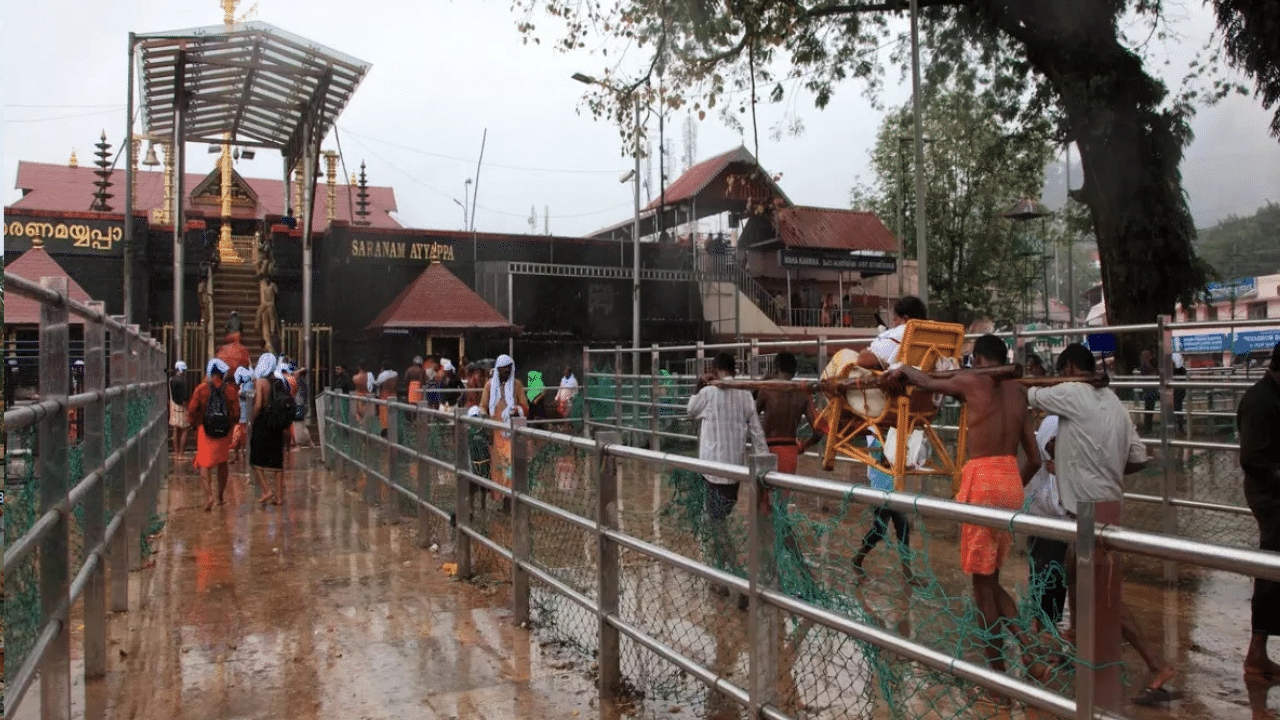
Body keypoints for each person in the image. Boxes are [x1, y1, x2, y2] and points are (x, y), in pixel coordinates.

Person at [885, 335, 1043, 683]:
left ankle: (1004, 668)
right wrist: (1007, 483)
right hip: (1009, 482)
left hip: (983, 481)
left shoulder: (974, 380)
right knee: (990, 579)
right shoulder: (1018, 391)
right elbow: (1034, 458)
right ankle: (1019, 658)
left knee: (982, 585)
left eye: (972, 360)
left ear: (982, 360)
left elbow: (926, 381)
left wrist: (903, 369)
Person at [1027, 343, 1178, 704]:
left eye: (1063, 372)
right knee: (1074, 572)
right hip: (1106, 505)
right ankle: (1077, 635)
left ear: (1069, 370)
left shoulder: (1072, 392)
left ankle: (1156, 665)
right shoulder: (1114, 403)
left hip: (1087, 511)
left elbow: (1030, 393)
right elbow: (1139, 458)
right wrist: (1104, 468)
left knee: (1106, 597)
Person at [686, 352, 769, 608]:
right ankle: (723, 579)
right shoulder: (744, 394)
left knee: (716, 526)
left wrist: (700, 384)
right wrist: (766, 463)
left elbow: (690, 411)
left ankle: (736, 579)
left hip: (712, 471)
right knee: (718, 524)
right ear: (733, 369)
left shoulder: (709, 394)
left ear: (716, 369)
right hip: (734, 472)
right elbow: (756, 431)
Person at [755, 351, 823, 592]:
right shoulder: (801, 392)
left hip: (767, 453)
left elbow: (750, 416)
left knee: (767, 515)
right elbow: (819, 430)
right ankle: (778, 570)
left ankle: (792, 572)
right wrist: (802, 446)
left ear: (775, 366)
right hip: (789, 453)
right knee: (778, 513)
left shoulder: (767, 388)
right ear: (794, 370)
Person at [1238, 340, 1280, 681]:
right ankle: (1256, 652)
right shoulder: (1259, 402)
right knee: (1271, 569)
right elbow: (1252, 459)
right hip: (1272, 498)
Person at [1024, 415, 1068, 631]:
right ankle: (1041, 625)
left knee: (1057, 577)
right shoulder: (1039, 471)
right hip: (1043, 522)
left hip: (1064, 523)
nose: (1054, 446)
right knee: (1042, 574)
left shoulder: (1065, 464)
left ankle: (1050, 625)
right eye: (1051, 441)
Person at [188, 358, 240, 512]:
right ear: (222, 374)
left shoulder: (201, 389)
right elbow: (236, 413)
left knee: (204, 464)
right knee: (222, 463)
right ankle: (221, 496)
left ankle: (209, 496)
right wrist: (230, 425)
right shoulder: (230, 390)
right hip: (224, 432)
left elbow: (192, 410)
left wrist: (195, 425)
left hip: (206, 431)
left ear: (210, 373)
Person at [482, 354, 530, 502]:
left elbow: (525, 407)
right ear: (498, 370)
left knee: (511, 464)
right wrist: (483, 416)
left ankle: (510, 498)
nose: (506, 374)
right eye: (504, 371)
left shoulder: (517, 385)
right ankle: (501, 497)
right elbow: (483, 406)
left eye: (509, 371)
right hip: (496, 433)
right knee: (498, 467)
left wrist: (515, 409)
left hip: (512, 432)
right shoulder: (489, 385)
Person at [250, 353, 289, 505]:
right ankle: (279, 498)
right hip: (277, 423)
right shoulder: (279, 381)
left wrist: (252, 419)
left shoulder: (260, 382)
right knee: (277, 462)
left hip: (263, 422)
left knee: (255, 460)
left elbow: (259, 404)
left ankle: (267, 490)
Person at [861, 296, 928, 370]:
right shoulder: (931, 333)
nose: (893, 325)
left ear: (905, 319)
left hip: (900, 378)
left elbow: (863, 359)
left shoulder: (902, 332)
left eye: (895, 320)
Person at [230, 366, 254, 464]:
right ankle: (242, 453)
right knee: (243, 435)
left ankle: (237, 454)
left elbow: (245, 396)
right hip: (244, 414)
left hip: (244, 415)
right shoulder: (246, 384)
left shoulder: (247, 386)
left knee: (239, 436)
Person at [169, 361, 192, 457]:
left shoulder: (171, 380)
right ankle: (181, 453)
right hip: (181, 407)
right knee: (185, 429)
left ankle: (176, 452)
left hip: (173, 405)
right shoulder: (181, 381)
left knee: (175, 429)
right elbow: (184, 397)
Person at [373, 361, 398, 437]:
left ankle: (385, 429)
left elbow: (377, 383)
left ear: (383, 367)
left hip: (384, 395)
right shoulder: (395, 374)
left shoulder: (382, 375)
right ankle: (393, 428)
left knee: (384, 412)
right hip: (393, 394)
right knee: (393, 411)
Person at [1140, 349, 1159, 434]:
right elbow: (1152, 374)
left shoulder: (1146, 365)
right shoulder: (1145, 366)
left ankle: (1148, 428)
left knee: (1149, 410)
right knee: (1148, 410)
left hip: (1150, 390)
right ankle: (1147, 428)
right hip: (1149, 390)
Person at [1172, 353, 1188, 434]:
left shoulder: (1174, 371)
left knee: (1175, 410)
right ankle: (1180, 427)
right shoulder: (1183, 371)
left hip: (1175, 392)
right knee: (1178, 409)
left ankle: (1177, 428)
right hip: (1179, 392)